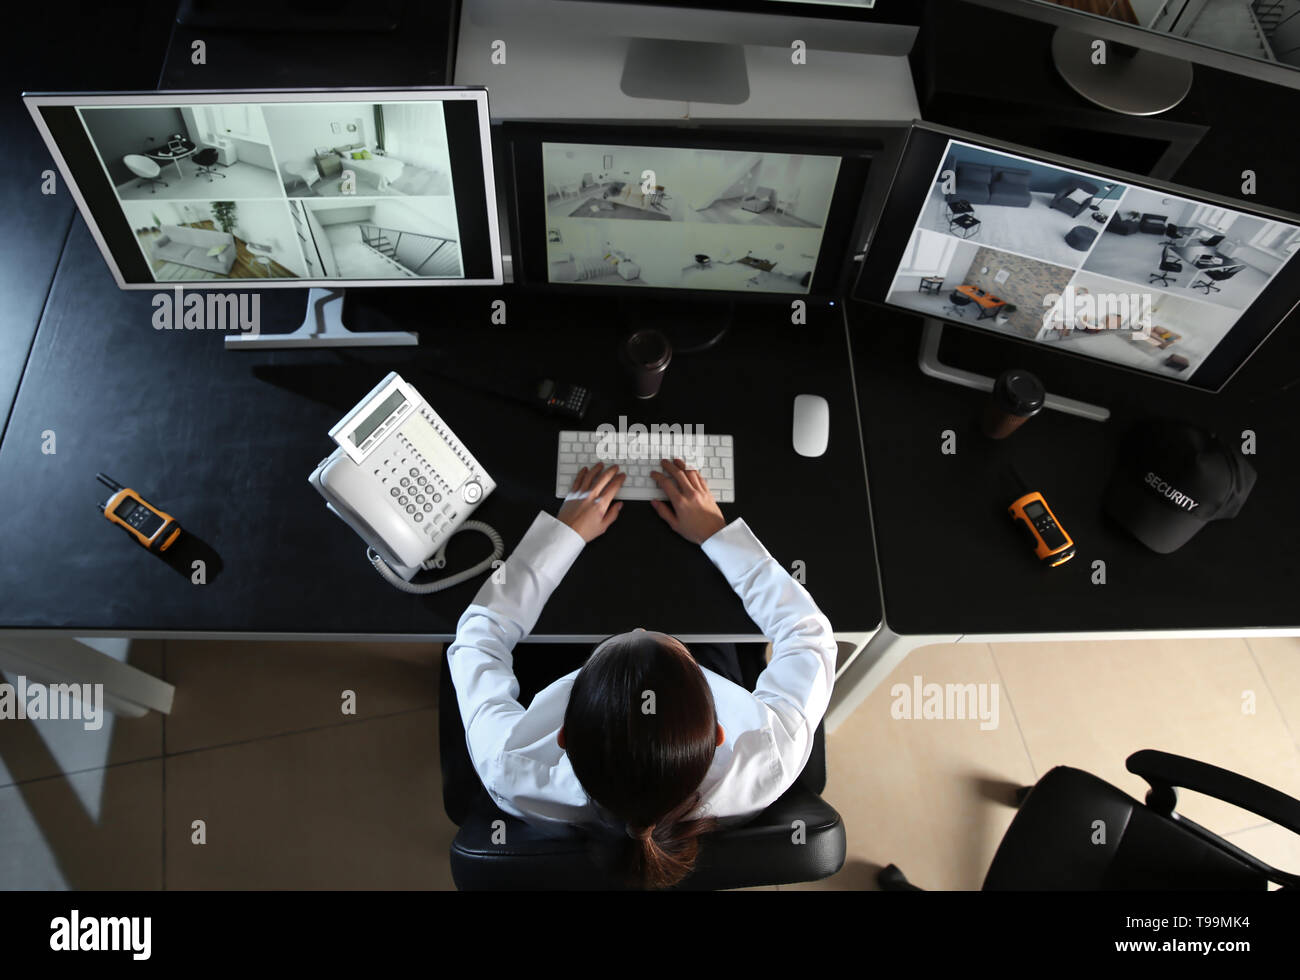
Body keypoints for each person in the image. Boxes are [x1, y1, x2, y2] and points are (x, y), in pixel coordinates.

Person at [445, 458, 838, 889]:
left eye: (618, 643)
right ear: (719, 732)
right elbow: (809, 635)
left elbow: (476, 639)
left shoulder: (510, 763)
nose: (639, 627)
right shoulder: (766, 757)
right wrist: (715, 534)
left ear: (562, 734)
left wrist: (562, 537)